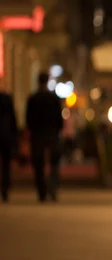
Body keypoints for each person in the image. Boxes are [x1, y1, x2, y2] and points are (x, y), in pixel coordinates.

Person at [26, 72, 63, 202]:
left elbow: (28, 119)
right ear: (47, 81)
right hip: (51, 133)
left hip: (38, 134)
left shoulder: (33, 98)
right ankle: (53, 188)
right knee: (54, 162)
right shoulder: (53, 98)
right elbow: (59, 118)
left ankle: (41, 191)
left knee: (38, 163)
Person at [0, 80, 17, 202]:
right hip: (6, 136)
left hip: (5, 135)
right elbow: (13, 120)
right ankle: (5, 188)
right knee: (6, 165)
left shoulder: (7, 99)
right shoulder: (7, 99)